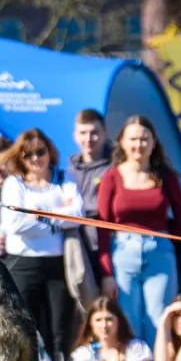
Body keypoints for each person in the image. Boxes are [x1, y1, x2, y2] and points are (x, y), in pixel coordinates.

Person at [0, 128, 84, 361]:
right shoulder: (14, 184)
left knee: (59, 330)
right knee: (27, 329)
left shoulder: (64, 178)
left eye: (40, 152)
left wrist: (37, 215)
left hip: (58, 265)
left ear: (50, 151)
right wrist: (57, 217)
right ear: (20, 158)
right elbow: (12, 224)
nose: (36, 158)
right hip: (23, 264)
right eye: (28, 154)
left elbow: (77, 214)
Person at [98, 116, 181, 346]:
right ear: (121, 142)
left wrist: (160, 234)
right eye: (133, 139)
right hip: (122, 254)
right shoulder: (111, 177)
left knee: (159, 324)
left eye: (144, 139)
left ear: (153, 142)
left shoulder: (166, 177)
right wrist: (106, 273)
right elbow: (101, 227)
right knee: (127, 325)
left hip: (159, 253)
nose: (138, 145)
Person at [69, 109, 112, 264]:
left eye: (94, 132)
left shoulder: (116, 168)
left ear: (105, 134)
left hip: (109, 247)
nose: (88, 138)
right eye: (83, 133)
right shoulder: (69, 173)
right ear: (75, 136)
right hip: (77, 248)